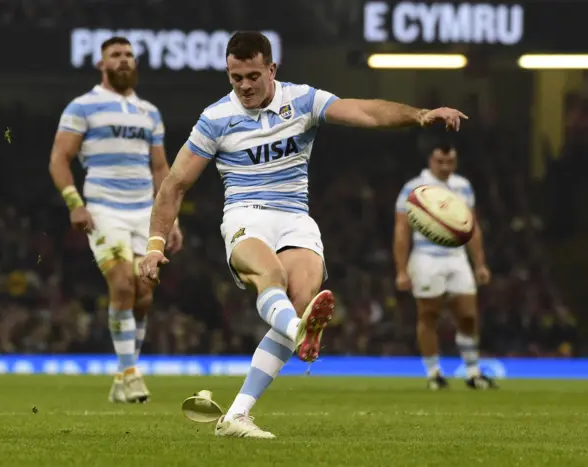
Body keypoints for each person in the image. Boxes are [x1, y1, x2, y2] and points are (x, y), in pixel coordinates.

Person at [139, 31, 466, 438]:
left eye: (252, 76)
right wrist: (154, 246)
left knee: (300, 299)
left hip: (295, 218)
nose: (244, 86)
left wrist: (418, 115)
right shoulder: (215, 119)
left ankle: (237, 414)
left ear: (272, 69)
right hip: (246, 216)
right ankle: (299, 331)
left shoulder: (302, 101)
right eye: (235, 77)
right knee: (270, 278)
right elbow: (173, 185)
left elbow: (362, 112)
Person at [49, 36, 183, 403]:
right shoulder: (83, 107)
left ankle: (122, 378)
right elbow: (59, 159)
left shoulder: (149, 113)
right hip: (104, 208)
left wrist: (171, 220)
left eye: (128, 55)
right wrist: (75, 202)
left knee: (143, 294)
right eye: (115, 55)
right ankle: (131, 375)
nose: (123, 60)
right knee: (123, 282)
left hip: (145, 212)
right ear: (101, 64)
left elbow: (160, 168)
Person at [393, 142, 495, 390]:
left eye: (450, 162)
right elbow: (402, 230)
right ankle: (434, 374)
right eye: (440, 161)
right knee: (429, 315)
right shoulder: (413, 188)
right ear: (430, 160)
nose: (445, 166)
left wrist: (480, 263)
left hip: (457, 257)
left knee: (469, 316)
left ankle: (473, 373)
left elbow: (472, 227)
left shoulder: (463, 186)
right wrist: (402, 269)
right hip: (426, 257)